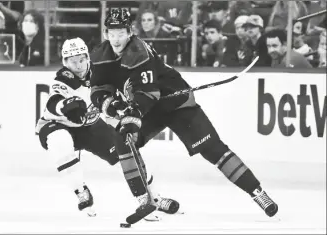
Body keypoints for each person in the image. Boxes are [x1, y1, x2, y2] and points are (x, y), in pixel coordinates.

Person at [89, 8, 279, 218]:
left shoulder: (139, 51)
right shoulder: (99, 55)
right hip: (150, 108)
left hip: (176, 102)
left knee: (212, 149)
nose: (116, 39)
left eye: (121, 33)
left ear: (130, 32)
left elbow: (148, 92)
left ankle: (257, 192)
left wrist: (132, 116)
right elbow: (98, 89)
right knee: (123, 138)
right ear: (106, 33)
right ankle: (147, 200)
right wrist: (112, 105)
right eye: (111, 33)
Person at [35, 37, 179, 219]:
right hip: (55, 125)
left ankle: (153, 198)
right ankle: (80, 190)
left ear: (87, 58)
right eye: (72, 62)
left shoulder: (100, 73)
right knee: (59, 141)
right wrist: (67, 106)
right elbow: (53, 102)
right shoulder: (64, 79)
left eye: (81, 60)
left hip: (90, 126)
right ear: (65, 63)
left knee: (125, 155)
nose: (78, 66)